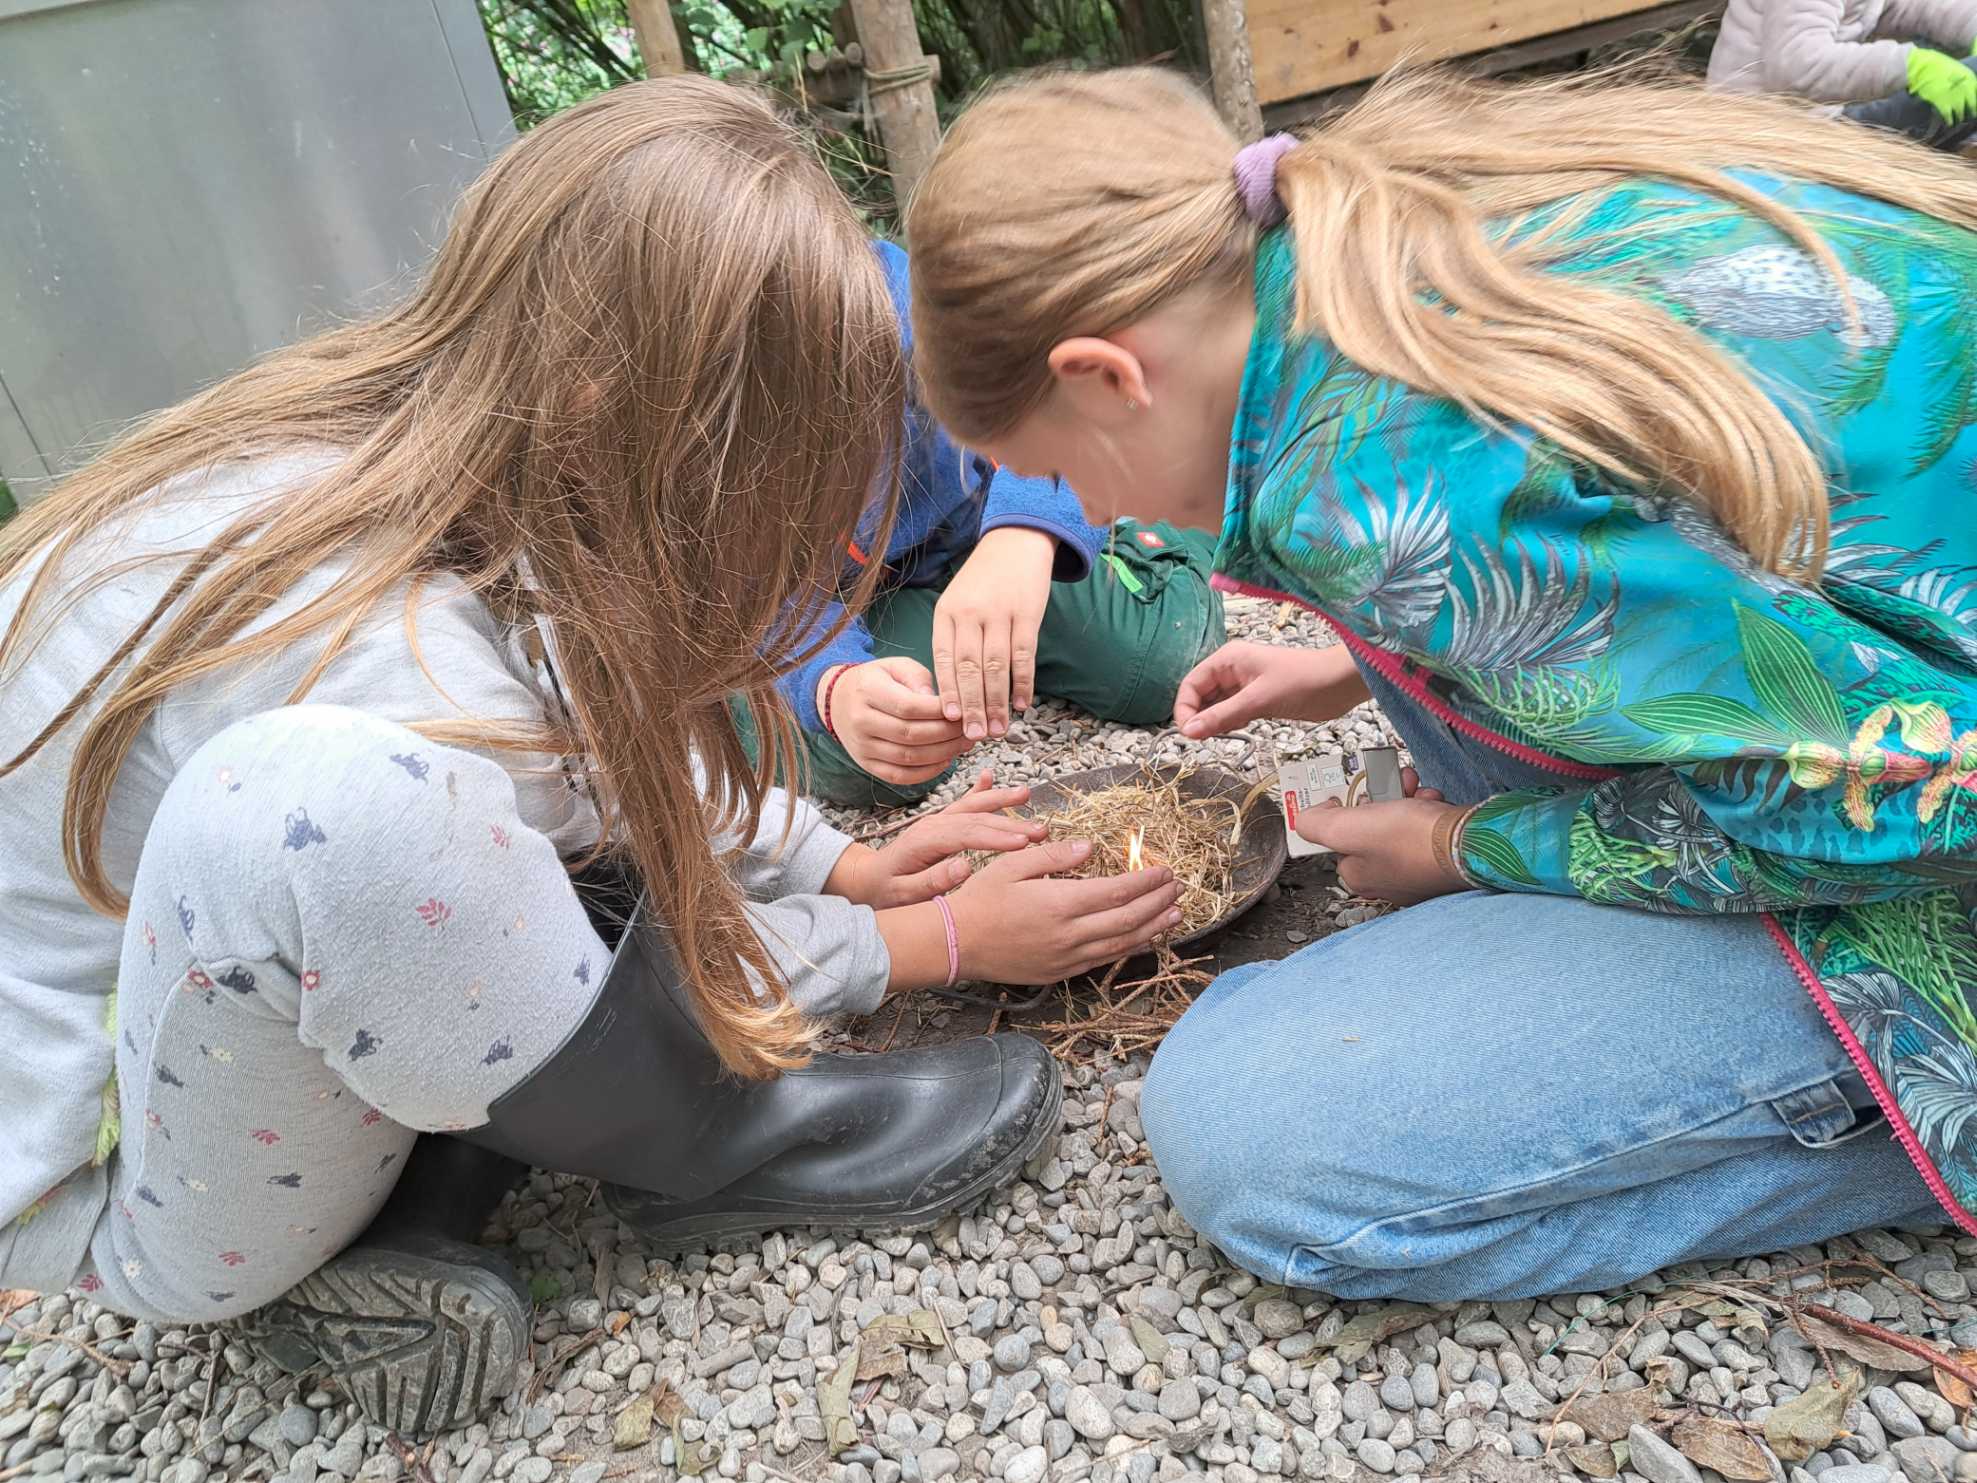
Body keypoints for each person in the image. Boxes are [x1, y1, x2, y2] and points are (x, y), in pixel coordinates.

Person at [0, 77, 1182, 1436]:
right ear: (617, 411)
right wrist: (928, 944)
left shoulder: (454, 466)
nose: (806, 554)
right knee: (341, 811)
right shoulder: (395, 652)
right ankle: (712, 1138)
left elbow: (598, 754)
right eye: (783, 497)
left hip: (258, 1038)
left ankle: (451, 1172)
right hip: (138, 1202)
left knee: (473, 819)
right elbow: (564, 914)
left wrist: (849, 864)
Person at [904, 63, 1977, 1298]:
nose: (1093, 513)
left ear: (1104, 376)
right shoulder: (1369, 233)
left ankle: (1908, 1125)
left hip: (1922, 834)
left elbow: (1891, 801)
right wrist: (1357, 667)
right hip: (1906, 680)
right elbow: (1680, 559)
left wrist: (1468, 845)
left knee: (1256, 1138)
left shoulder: (1383, 484)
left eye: (1060, 474)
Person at [752, 240, 1226, 810]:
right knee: (886, 760)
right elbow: (755, 601)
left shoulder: (905, 305)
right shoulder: (682, 439)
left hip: (983, 522)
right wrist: (831, 686)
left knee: (1159, 667)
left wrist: (1026, 531)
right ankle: (727, 712)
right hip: (841, 602)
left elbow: (1061, 402)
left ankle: (1169, 520)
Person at [1709, 0, 1977, 148]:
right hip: (1774, 131)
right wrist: (1912, 65)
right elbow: (1798, 66)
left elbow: (1914, 7)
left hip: (1815, 114)